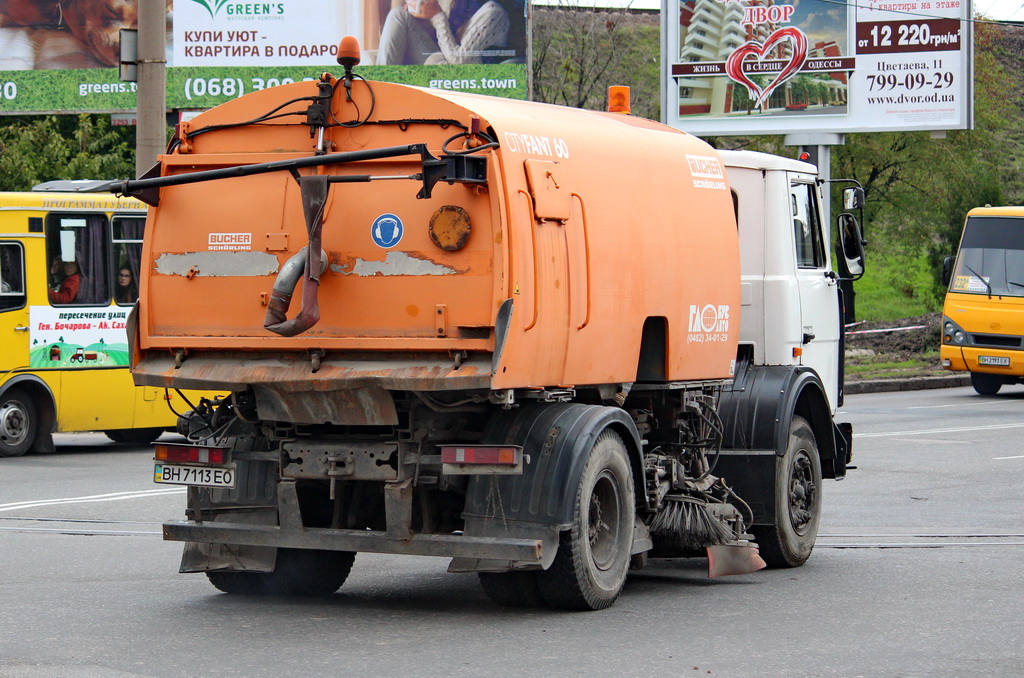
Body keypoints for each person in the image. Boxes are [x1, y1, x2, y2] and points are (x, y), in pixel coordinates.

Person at [376, 0, 510, 65]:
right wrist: (421, 18)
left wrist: (438, 16)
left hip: (465, 77)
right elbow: (445, 39)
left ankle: (383, 92)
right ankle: (382, 87)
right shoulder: (459, 5)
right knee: (400, 14)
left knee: (399, 15)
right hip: (444, 60)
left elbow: (459, 60)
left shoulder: (493, 13)